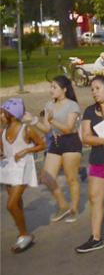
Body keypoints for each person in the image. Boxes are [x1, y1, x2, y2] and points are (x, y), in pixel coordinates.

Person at [28, 76, 83, 223]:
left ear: (64, 89)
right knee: (46, 177)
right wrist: (33, 121)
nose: (51, 90)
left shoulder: (72, 105)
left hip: (71, 141)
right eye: (50, 87)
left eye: (54, 87)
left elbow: (69, 128)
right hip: (56, 142)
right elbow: (46, 129)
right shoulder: (49, 105)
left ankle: (74, 210)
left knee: (71, 178)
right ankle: (63, 206)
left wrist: (52, 121)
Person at [75, 76, 104, 253]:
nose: (94, 92)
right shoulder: (89, 111)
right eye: (92, 89)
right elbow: (86, 137)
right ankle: (95, 238)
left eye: (97, 88)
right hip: (99, 161)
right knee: (95, 198)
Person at [1, 98, 46, 253]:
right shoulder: (3, 131)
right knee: (17, 203)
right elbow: (3, 151)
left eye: (3, 113)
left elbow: (42, 145)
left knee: (11, 204)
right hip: (9, 169)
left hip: (23, 168)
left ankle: (24, 234)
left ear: (12, 115)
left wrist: (26, 150)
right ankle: (23, 233)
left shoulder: (26, 130)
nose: (0, 116)